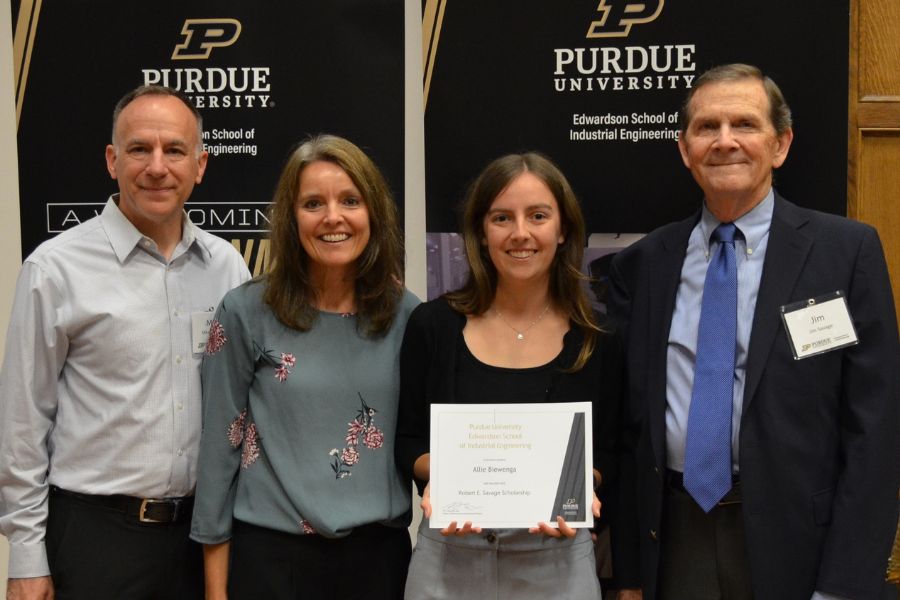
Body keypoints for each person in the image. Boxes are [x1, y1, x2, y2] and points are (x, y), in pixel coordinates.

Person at [608, 63, 900, 600]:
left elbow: (876, 433)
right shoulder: (646, 263)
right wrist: (627, 574)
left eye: (744, 124)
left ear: (781, 144)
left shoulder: (845, 253)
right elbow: (631, 429)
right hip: (674, 536)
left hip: (800, 545)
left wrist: (845, 585)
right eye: (706, 127)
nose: (725, 142)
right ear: (684, 149)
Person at [0, 85, 250, 600]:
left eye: (175, 150)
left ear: (200, 165)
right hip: (96, 540)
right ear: (113, 160)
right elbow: (23, 425)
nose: (157, 166)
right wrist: (25, 556)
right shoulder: (54, 268)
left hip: (203, 538)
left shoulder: (228, 268)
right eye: (140, 149)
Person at [190, 134, 419, 599]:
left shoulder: (409, 317)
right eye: (313, 203)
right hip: (271, 563)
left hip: (379, 562)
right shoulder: (245, 312)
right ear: (291, 219)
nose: (333, 217)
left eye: (350, 200)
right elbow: (218, 451)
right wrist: (216, 593)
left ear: (372, 211)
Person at [396, 152, 623, 599]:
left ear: (562, 230)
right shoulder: (432, 326)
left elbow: (610, 452)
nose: (521, 233)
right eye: (502, 217)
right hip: (449, 562)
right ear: (482, 232)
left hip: (557, 563)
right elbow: (407, 442)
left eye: (538, 216)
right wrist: (444, 478)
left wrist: (579, 490)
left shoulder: (600, 339)